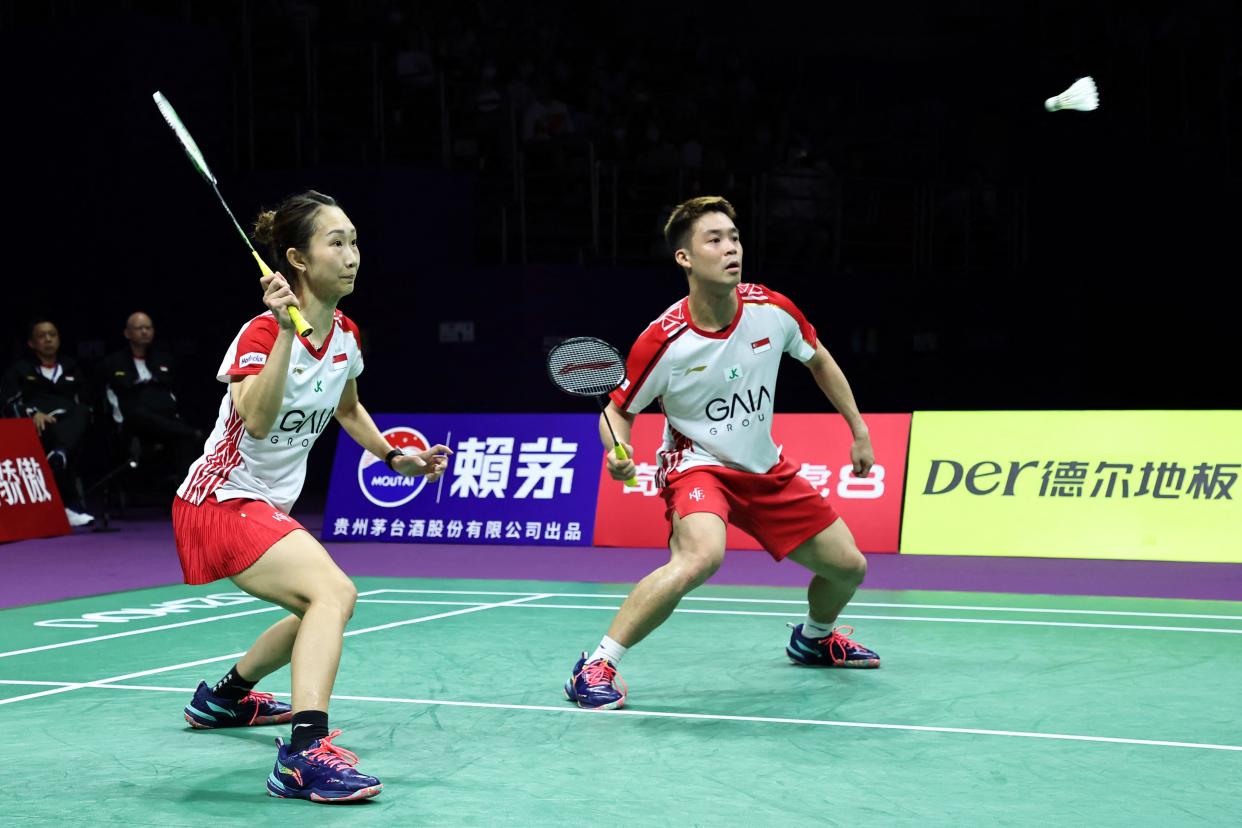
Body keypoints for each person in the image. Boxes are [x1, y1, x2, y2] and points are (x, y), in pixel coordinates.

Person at [171, 191, 451, 802]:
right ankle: (302, 755)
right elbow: (260, 419)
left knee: (314, 609)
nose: (352, 255)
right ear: (296, 259)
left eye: (354, 241)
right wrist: (282, 337)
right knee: (333, 593)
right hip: (218, 499)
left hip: (264, 506)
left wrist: (393, 456)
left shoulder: (345, 333)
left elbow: (347, 407)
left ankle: (223, 698)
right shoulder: (262, 331)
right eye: (336, 242)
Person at [564, 196, 880, 711]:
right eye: (714, 240)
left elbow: (818, 359)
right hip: (698, 464)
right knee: (701, 556)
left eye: (733, 237)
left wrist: (858, 428)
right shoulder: (664, 340)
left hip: (763, 465)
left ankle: (815, 638)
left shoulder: (772, 310)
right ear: (684, 258)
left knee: (848, 567)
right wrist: (618, 450)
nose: (730, 247)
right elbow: (618, 411)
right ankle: (597, 663)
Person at [1, 318, 94, 525]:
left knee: (81, 413)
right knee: (55, 436)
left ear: (59, 339)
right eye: (42, 336)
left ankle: (60, 453)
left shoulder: (72, 367)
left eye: (52, 334)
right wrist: (33, 413)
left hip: (71, 423)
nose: (48, 339)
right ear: (31, 344)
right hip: (39, 425)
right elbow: (9, 402)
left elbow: (86, 399)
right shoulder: (20, 370)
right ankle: (67, 505)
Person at [98, 312, 202, 491]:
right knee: (141, 414)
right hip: (132, 424)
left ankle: (187, 493)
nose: (145, 331)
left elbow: (174, 394)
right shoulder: (112, 362)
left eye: (148, 327)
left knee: (182, 439)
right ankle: (191, 432)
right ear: (127, 333)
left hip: (164, 421)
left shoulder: (165, 359)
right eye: (139, 328)